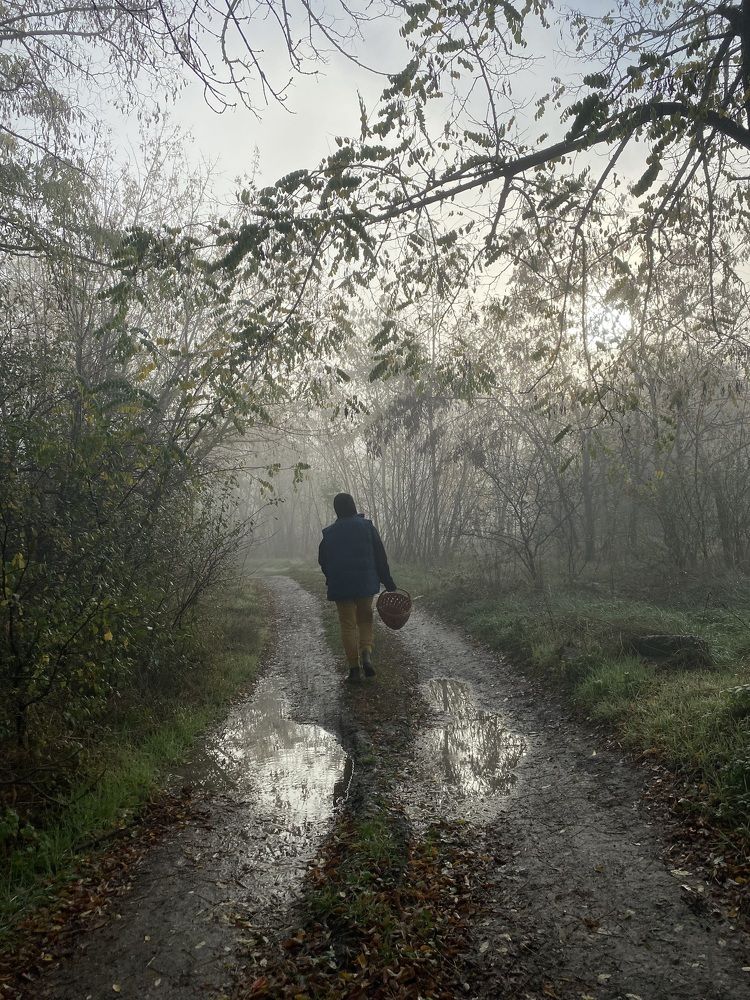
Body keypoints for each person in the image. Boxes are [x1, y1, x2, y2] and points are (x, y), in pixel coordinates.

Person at [318, 492, 397, 681]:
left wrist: (331, 577)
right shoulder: (367, 527)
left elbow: (323, 560)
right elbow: (380, 556)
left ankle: (354, 668)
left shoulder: (329, 533)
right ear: (353, 506)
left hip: (341, 586)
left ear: (337, 510)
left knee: (347, 625)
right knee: (365, 619)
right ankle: (367, 654)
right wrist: (387, 581)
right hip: (365, 584)